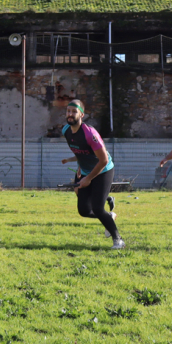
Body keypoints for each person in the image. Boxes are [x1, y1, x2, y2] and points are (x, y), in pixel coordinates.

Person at [60, 99, 124, 249]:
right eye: (68, 111)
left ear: (81, 115)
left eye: (74, 111)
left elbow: (103, 160)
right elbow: (82, 152)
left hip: (104, 170)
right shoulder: (66, 131)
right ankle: (109, 216)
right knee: (83, 210)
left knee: (97, 208)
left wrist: (88, 179)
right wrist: (76, 165)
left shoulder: (90, 134)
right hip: (85, 170)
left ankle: (118, 240)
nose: (70, 114)